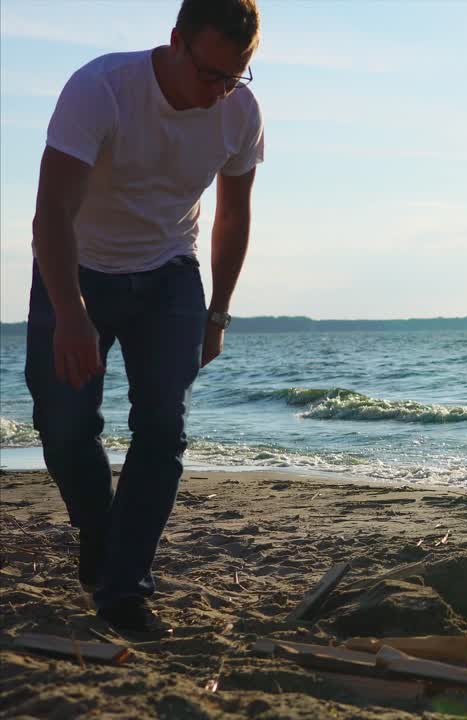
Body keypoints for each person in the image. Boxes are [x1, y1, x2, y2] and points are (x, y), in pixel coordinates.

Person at [25, 0, 264, 637]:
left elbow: (232, 217)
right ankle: (100, 533)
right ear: (176, 43)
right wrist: (72, 313)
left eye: (235, 76)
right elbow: (50, 214)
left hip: (170, 276)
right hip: (75, 269)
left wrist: (217, 313)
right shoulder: (101, 88)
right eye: (210, 74)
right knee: (64, 425)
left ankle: (123, 589)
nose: (219, 93)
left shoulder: (240, 111)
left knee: (163, 427)